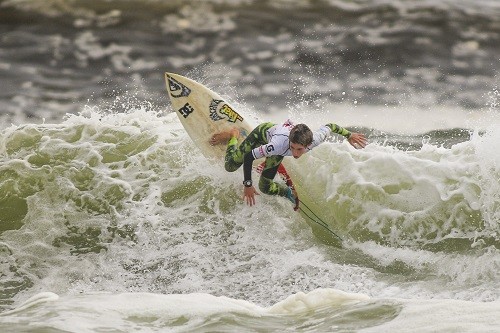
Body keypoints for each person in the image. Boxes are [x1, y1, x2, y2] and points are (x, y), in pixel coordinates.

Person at [210, 120, 367, 206]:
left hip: (276, 150)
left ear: (308, 145)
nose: (295, 153)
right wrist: (248, 184)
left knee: (265, 187)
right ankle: (233, 135)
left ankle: (287, 192)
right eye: (292, 148)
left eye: (299, 149)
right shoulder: (278, 145)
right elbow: (249, 157)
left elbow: (330, 126)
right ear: (289, 141)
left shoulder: (314, 140)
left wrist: (349, 135)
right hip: (262, 134)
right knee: (230, 166)